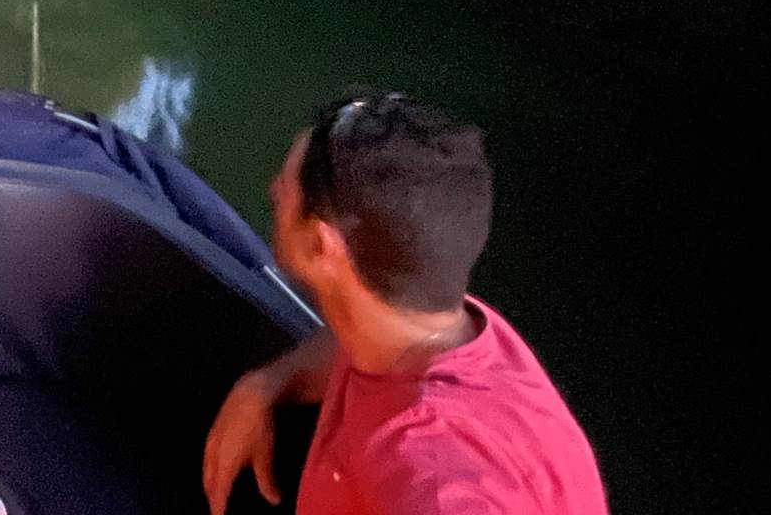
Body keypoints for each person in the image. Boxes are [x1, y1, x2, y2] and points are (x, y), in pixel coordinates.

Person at [203, 92, 607, 515]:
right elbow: (351, 346)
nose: (272, 188)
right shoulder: (441, 325)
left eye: (283, 194)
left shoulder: (435, 479)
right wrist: (269, 382)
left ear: (322, 245)